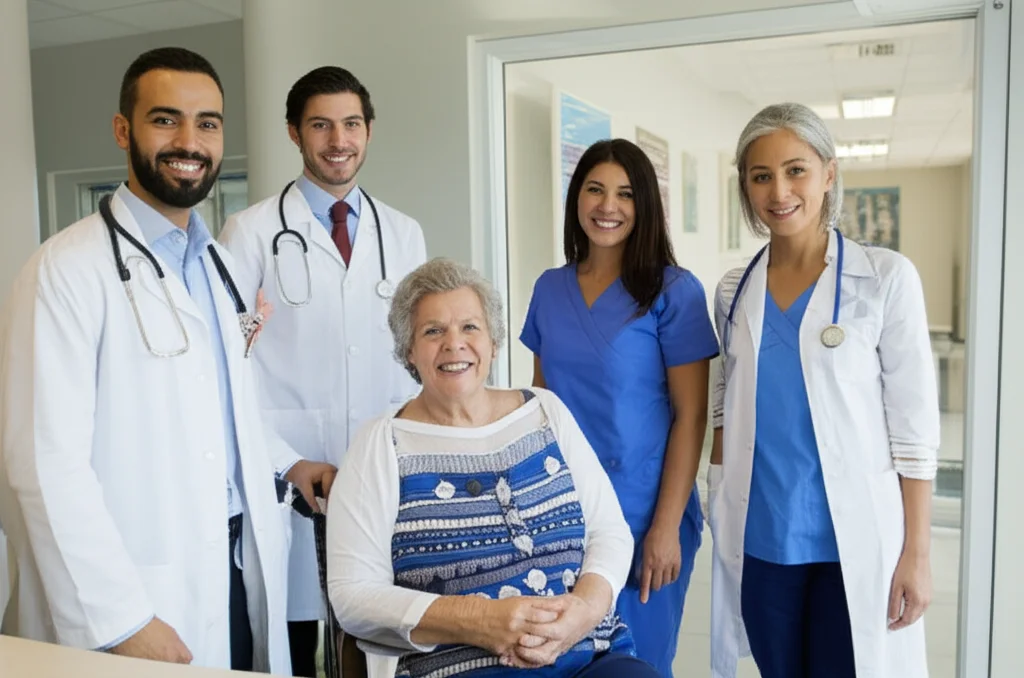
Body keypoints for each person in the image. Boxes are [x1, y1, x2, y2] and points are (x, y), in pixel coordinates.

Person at [0, 47, 334, 673]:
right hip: (135, 597)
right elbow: (41, 466)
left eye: (207, 123)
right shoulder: (65, 271)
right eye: (165, 120)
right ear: (123, 130)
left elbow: (225, 407)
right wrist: (120, 620)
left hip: (235, 570)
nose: (190, 141)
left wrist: (289, 463)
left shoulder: (220, 266)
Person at [324, 258, 661, 678]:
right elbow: (352, 596)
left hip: (586, 653)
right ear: (408, 350)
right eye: (433, 331)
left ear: (494, 342)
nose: (454, 344)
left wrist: (583, 610)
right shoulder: (381, 446)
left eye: (470, 327)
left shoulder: (545, 411)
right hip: (462, 666)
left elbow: (608, 531)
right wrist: (478, 620)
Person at [706, 102, 938, 678]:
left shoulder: (885, 278)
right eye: (761, 176)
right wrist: (714, 494)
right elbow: (724, 407)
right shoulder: (734, 291)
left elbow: (914, 429)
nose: (778, 191)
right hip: (761, 539)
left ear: (829, 174)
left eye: (795, 170)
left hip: (853, 541)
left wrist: (917, 552)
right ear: (746, 186)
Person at [218, 66, 427, 675]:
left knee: (381, 640)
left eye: (352, 124)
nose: (339, 139)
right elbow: (229, 368)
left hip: (382, 474)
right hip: (291, 481)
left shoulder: (403, 232)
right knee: (298, 644)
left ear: (368, 130)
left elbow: (421, 354)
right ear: (294, 133)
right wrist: (286, 461)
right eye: (321, 124)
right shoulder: (250, 232)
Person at [520, 138, 719, 676]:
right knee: (561, 659)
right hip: (563, 514)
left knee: (639, 664)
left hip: (645, 512)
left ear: (645, 205)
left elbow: (691, 417)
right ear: (576, 198)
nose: (608, 206)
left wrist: (665, 527)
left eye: (625, 194)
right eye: (595, 190)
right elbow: (542, 407)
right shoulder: (550, 288)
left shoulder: (674, 292)